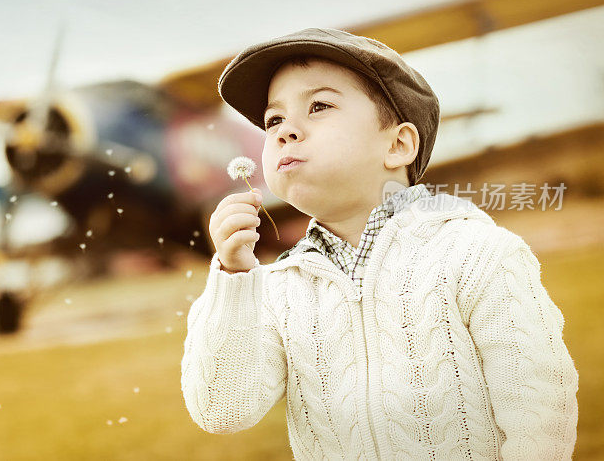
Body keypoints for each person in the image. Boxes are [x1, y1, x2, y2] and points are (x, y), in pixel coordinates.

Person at [180, 28, 579, 460]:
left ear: (397, 145)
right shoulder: (278, 288)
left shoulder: (476, 252)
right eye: (273, 119)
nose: (283, 131)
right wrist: (235, 276)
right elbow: (224, 411)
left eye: (319, 106)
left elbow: (540, 413)